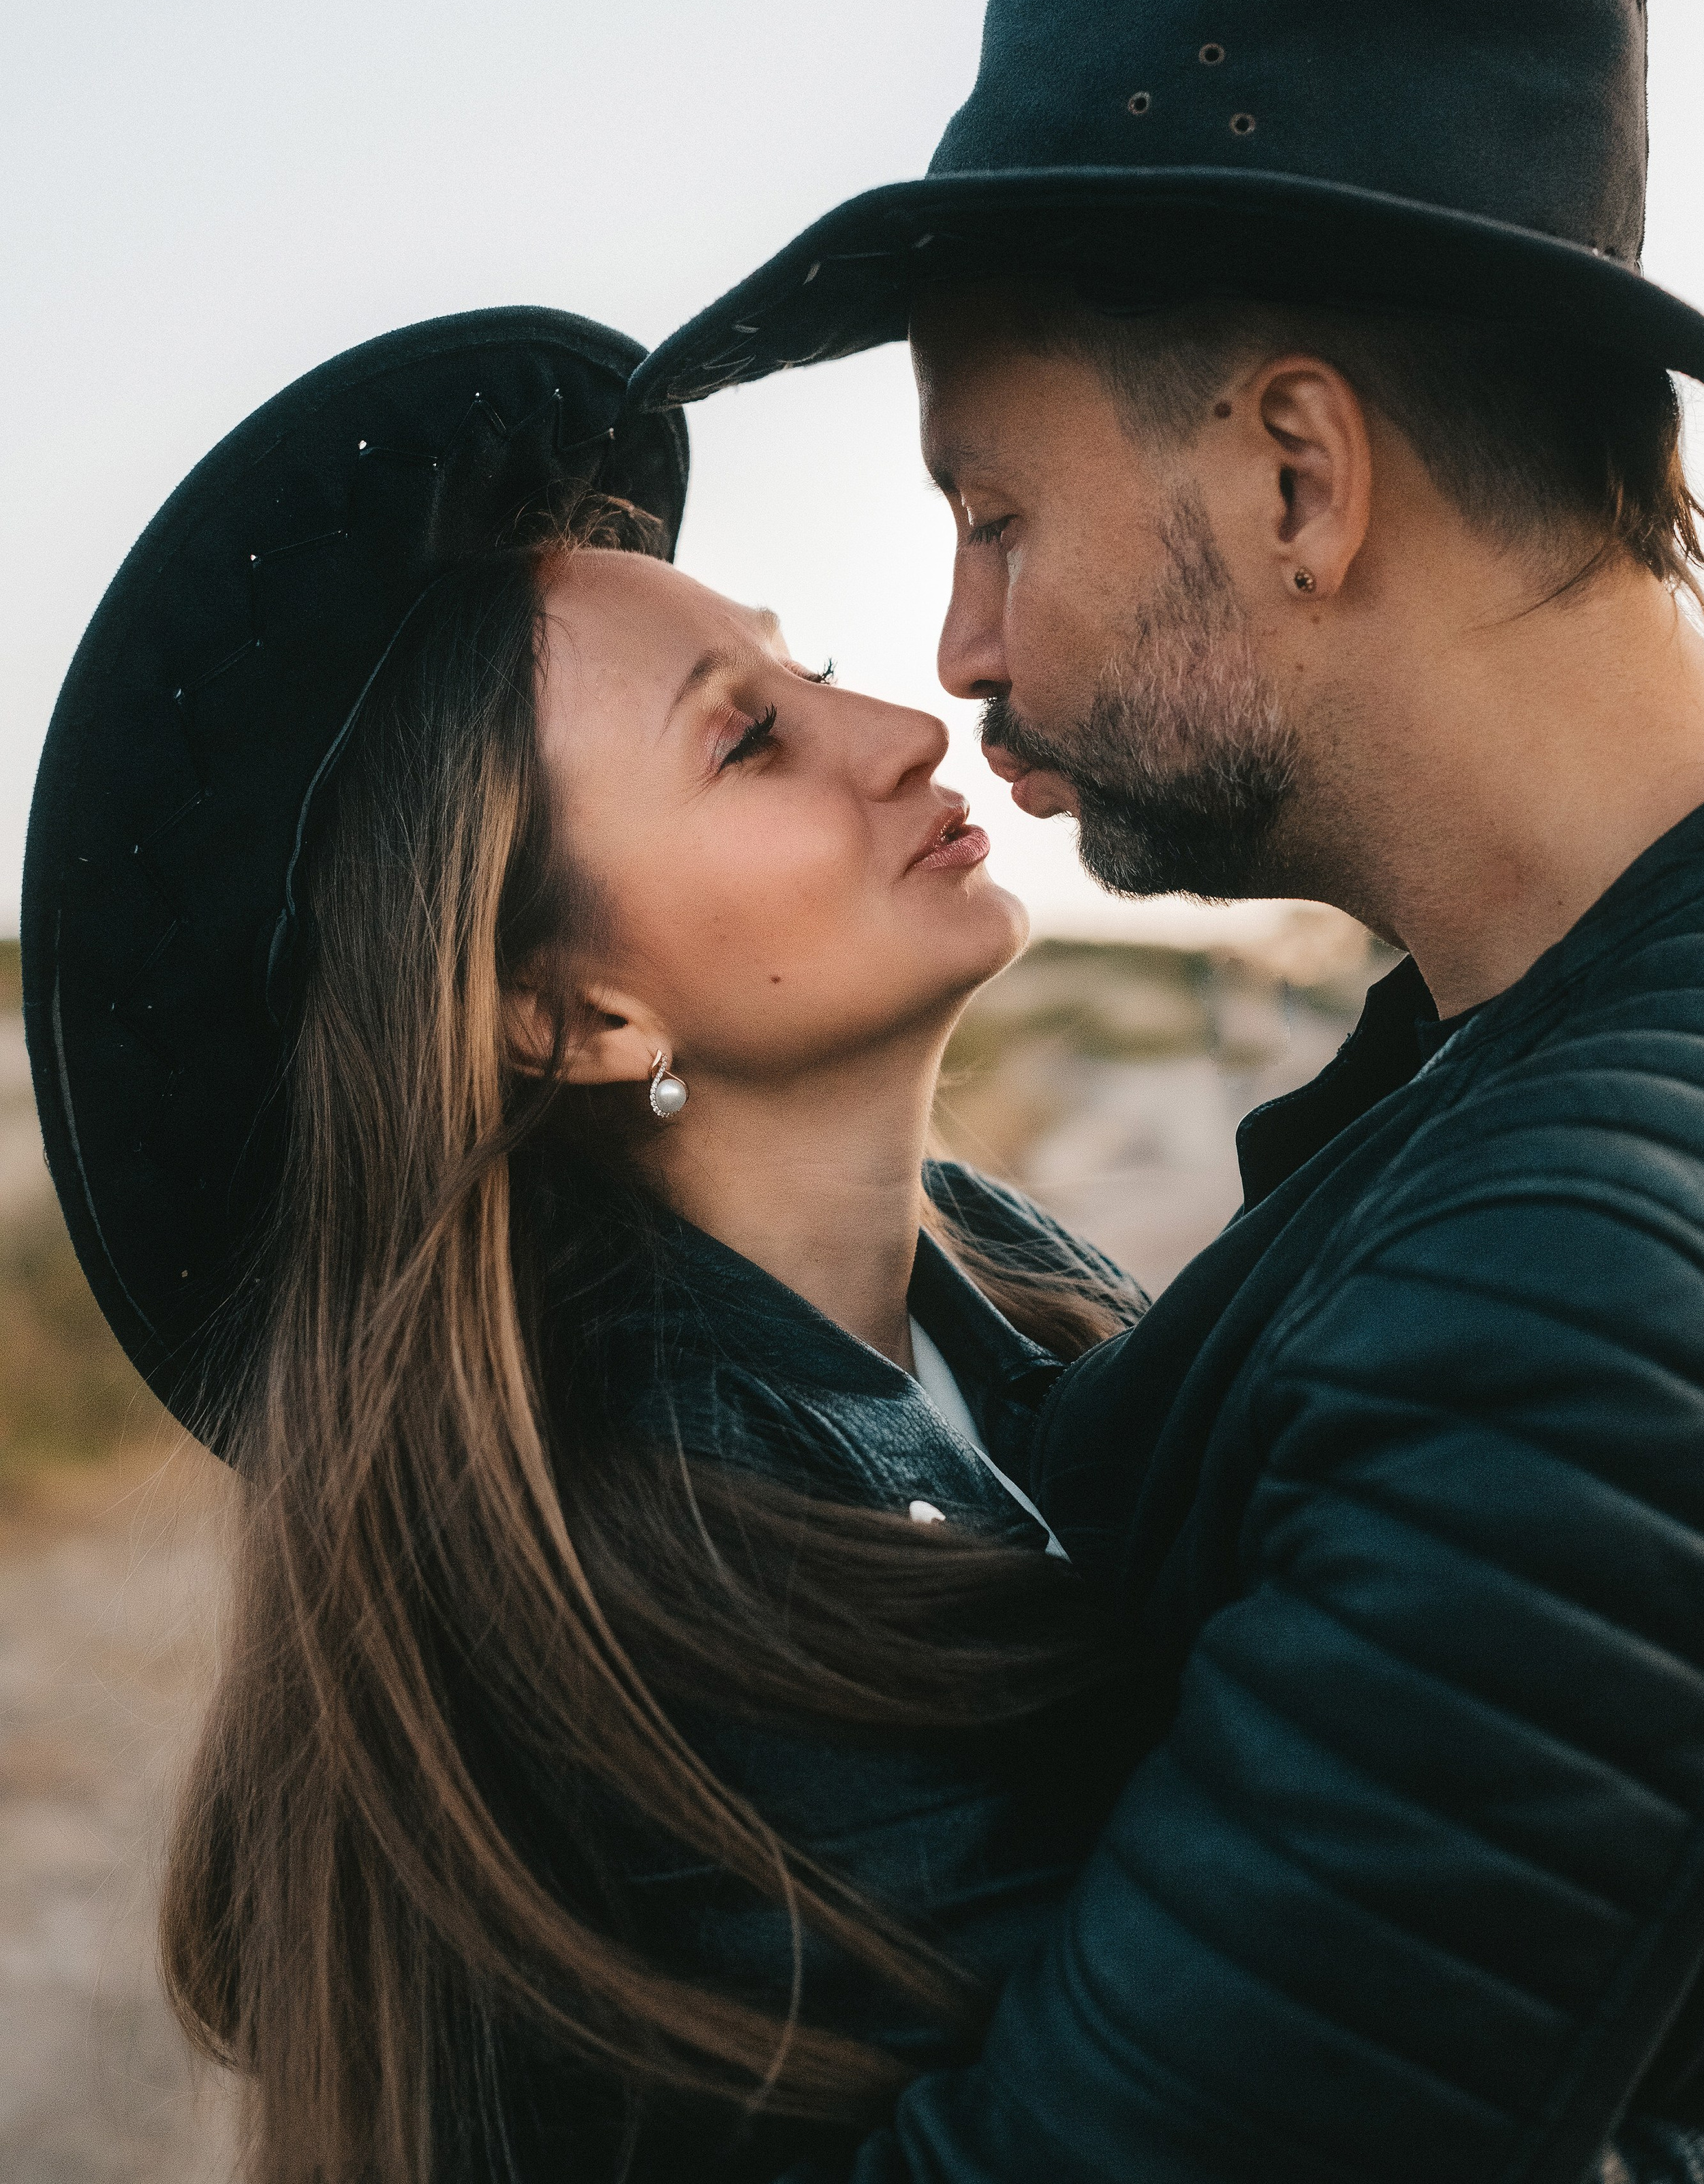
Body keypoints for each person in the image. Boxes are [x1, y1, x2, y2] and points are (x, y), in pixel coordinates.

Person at [630, 0, 1704, 2183]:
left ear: (1296, 478)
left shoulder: (1574, 1277)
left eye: (996, 512)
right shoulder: (1504, 1084)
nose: (951, 649)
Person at [20, 307, 1149, 2184]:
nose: (901, 731)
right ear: (571, 1015)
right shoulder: (676, 1604)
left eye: (822, 671)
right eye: (749, 739)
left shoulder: (1015, 1288)